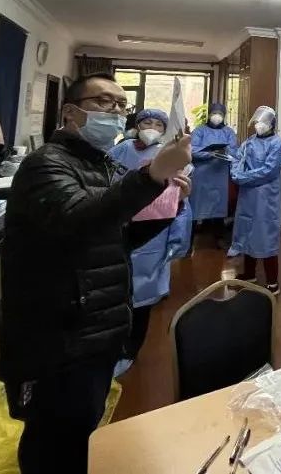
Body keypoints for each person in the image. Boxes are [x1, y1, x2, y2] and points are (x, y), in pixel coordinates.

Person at [1, 73, 192, 474]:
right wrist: (150, 177)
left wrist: (166, 200)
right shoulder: (45, 165)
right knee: (53, 444)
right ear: (70, 113)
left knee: (80, 432)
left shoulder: (100, 164)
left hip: (95, 331)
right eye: (105, 102)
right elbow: (79, 219)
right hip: (59, 339)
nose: (117, 112)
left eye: (122, 105)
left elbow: (116, 235)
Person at [107, 109, 192, 375]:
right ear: (137, 125)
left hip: (154, 230)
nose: (152, 127)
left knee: (143, 295)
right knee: (114, 290)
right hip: (118, 225)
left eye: (158, 124)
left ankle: (130, 350)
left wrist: (178, 237)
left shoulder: (168, 155)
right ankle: (111, 346)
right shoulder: (120, 151)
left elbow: (179, 200)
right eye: (147, 122)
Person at [227, 106, 281, 294]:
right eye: (258, 122)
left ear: (272, 125)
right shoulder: (250, 142)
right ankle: (249, 274)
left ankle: (272, 283)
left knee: (265, 235)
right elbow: (237, 159)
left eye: (264, 122)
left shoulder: (277, 144)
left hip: (265, 197)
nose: (259, 125)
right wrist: (236, 172)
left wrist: (243, 177)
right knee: (247, 233)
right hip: (248, 196)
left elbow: (269, 171)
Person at [190, 103, 237, 224]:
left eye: (220, 114)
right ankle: (195, 227)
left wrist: (224, 151)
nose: (217, 116)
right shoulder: (199, 131)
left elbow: (234, 151)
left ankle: (217, 229)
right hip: (201, 174)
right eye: (214, 113)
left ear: (224, 116)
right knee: (199, 202)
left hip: (220, 174)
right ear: (209, 114)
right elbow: (192, 150)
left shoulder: (229, 132)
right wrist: (210, 154)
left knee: (218, 203)